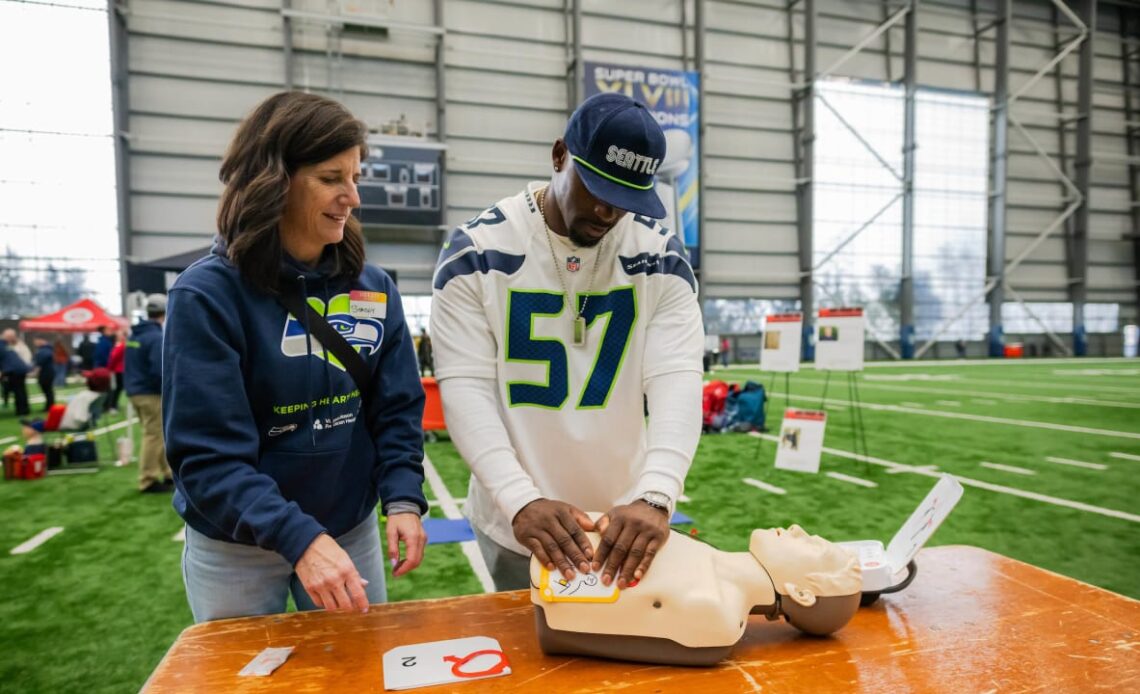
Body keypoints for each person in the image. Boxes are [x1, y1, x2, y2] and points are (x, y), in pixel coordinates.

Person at [163, 91, 428, 623]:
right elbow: (208, 459)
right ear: (272, 181)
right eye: (332, 179)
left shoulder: (374, 289)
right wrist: (300, 539)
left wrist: (401, 497)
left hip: (348, 530)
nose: (352, 197)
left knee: (356, 677)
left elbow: (396, 407)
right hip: (237, 547)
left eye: (355, 177)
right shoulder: (205, 296)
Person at [430, 92, 704, 592]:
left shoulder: (660, 253)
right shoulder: (477, 250)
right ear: (559, 156)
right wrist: (519, 499)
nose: (606, 210)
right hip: (517, 520)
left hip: (626, 515)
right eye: (595, 187)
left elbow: (677, 379)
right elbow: (465, 387)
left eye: (626, 199)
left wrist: (658, 493)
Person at [126, 296, 172, 494]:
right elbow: (158, 369)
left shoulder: (135, 336)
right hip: (150, 392)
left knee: (157, 434)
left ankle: (167, 472)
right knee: (154, 435)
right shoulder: (155, 337)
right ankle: (148, 479)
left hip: (135, 390)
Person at [0, 335, 31, 416]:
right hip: (20, 369)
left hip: (13, 370)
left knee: (18, 391)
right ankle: (24, 410)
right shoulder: (7, 346)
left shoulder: (3, 346)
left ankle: (22, 411)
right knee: (20, 390)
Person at [106, 329, 126, 413]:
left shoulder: (121, 345)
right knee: (116, 389)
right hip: (118, 370)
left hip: (119, 370)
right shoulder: (120, 345)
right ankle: (112, 406)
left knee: (116, 389)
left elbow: (113, 358)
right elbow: (113, 358)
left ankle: (112, 405)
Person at [32, 337, 55, 410]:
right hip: (48, 372)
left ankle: (49, 406)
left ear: (41, 340)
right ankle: (49, 405)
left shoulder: (44, 351)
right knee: (48, 390)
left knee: (47, 390)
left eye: (36, 341)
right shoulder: (48, 349)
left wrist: (35, 372)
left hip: (46, 373)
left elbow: (40, 363)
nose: (35, 344)